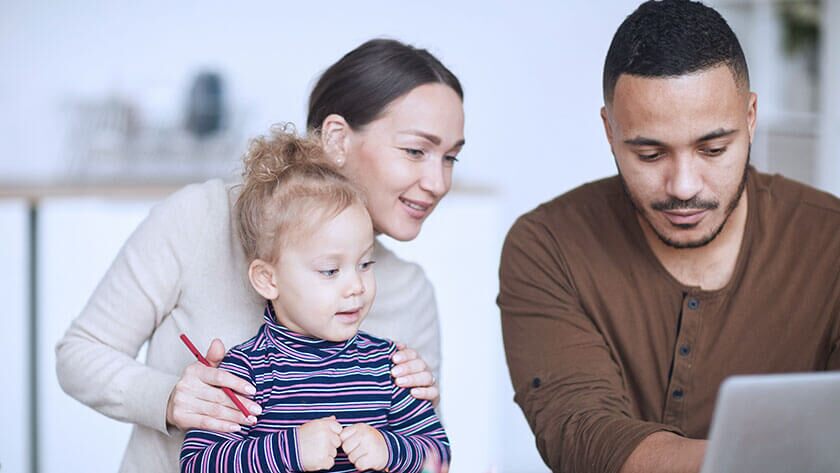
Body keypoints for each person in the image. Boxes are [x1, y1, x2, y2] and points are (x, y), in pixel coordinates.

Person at [56, 38, 465, 472]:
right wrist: (170, 399)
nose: (438, 183)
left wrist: (399, 446)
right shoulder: (201, 218)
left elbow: (431, 454)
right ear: (337, 138)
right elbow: (79, 354)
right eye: (416, 150)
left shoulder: (410, 292)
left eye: (451, 158)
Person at [498, 1, 840, 473]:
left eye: (713, 149)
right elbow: (581, 433)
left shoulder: (832, 243)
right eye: (651, 154)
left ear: (751, 117)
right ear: (610, 131)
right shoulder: (548, 245)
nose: (683, 186)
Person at [180, 128, 450, 472]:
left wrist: (389, 449)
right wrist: (290, 450)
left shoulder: (389, 367)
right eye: (330, 271)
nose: (356, 286)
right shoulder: (244, 373)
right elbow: (198, 464)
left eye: (365, 264)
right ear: (268, 279)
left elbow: (438, 456)